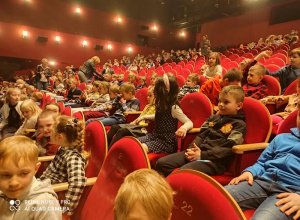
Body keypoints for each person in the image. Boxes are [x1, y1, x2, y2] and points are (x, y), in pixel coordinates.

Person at [225, 101, 300, 220]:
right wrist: (250, 172)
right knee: (217, 198)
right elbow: (261, 163)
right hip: (263, 181)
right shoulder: (281, 138)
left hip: (291, 191)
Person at [156, 85, 246, 177]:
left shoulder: (239, 125)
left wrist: (201, 155)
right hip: (198, 152)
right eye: (219, 101)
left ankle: (176, 186)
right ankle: (170, 185)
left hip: (215, 161)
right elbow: (201, 136)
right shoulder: (212, 119)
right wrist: (192, 149)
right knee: (162, 163)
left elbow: (228, 148)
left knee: (183, 172)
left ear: (238, 106)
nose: (221, 104)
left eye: (226, 102)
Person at [0, 136, 62, 220]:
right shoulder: (2, 195)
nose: (14, 183)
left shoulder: (45, 203)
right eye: (6, 175)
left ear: (35, 169)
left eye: (23, 173)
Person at [40, 116, 86, 217]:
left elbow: (78, 182)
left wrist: (67, 209)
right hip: (44, 186)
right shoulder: (63, 148)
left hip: (52, 194)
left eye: (52, 131)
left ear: (60, 137)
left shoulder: (73, 157)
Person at [138, 74, 193, 154]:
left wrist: (183, 128)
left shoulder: (173, 108)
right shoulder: (160, 104)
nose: (154, 91)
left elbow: (189, 122)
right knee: (134, 142)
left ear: (165, 91)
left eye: (156, 88)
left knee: (141, 148)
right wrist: (144, 117)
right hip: (154, 136)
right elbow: (159, 117)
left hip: (166, 142)